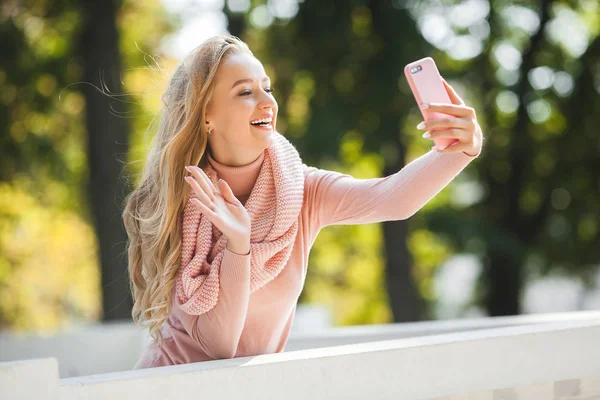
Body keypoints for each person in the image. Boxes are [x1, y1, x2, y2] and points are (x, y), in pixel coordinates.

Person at [123, 35, 484, 368]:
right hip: (167, 384)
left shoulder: (301, 190)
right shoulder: (184, 200)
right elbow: (219, 347)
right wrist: (237, 247)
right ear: (206, 116)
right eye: (245, 92)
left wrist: (462, 149)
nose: (268, 101)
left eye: (267, 87)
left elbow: (392, 199)